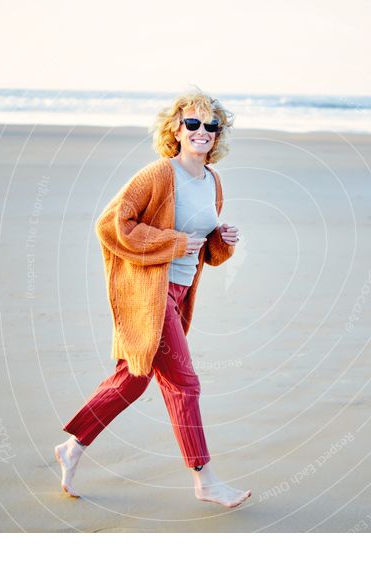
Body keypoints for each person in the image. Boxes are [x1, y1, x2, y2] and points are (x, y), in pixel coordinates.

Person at [54, 89, 251, 509]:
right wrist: (174, 242)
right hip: (148, 293)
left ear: (218, 134)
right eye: (192, 123)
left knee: (135, 377)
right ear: (176, 130)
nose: (202, 131)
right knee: (184, 382)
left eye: (210, 125)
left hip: (179, 294)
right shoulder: (159, 175)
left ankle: (72, 446)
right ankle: (206, 480)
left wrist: (222, 240)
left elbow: (206, 253)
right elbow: (111, 225)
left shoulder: (213, 182)